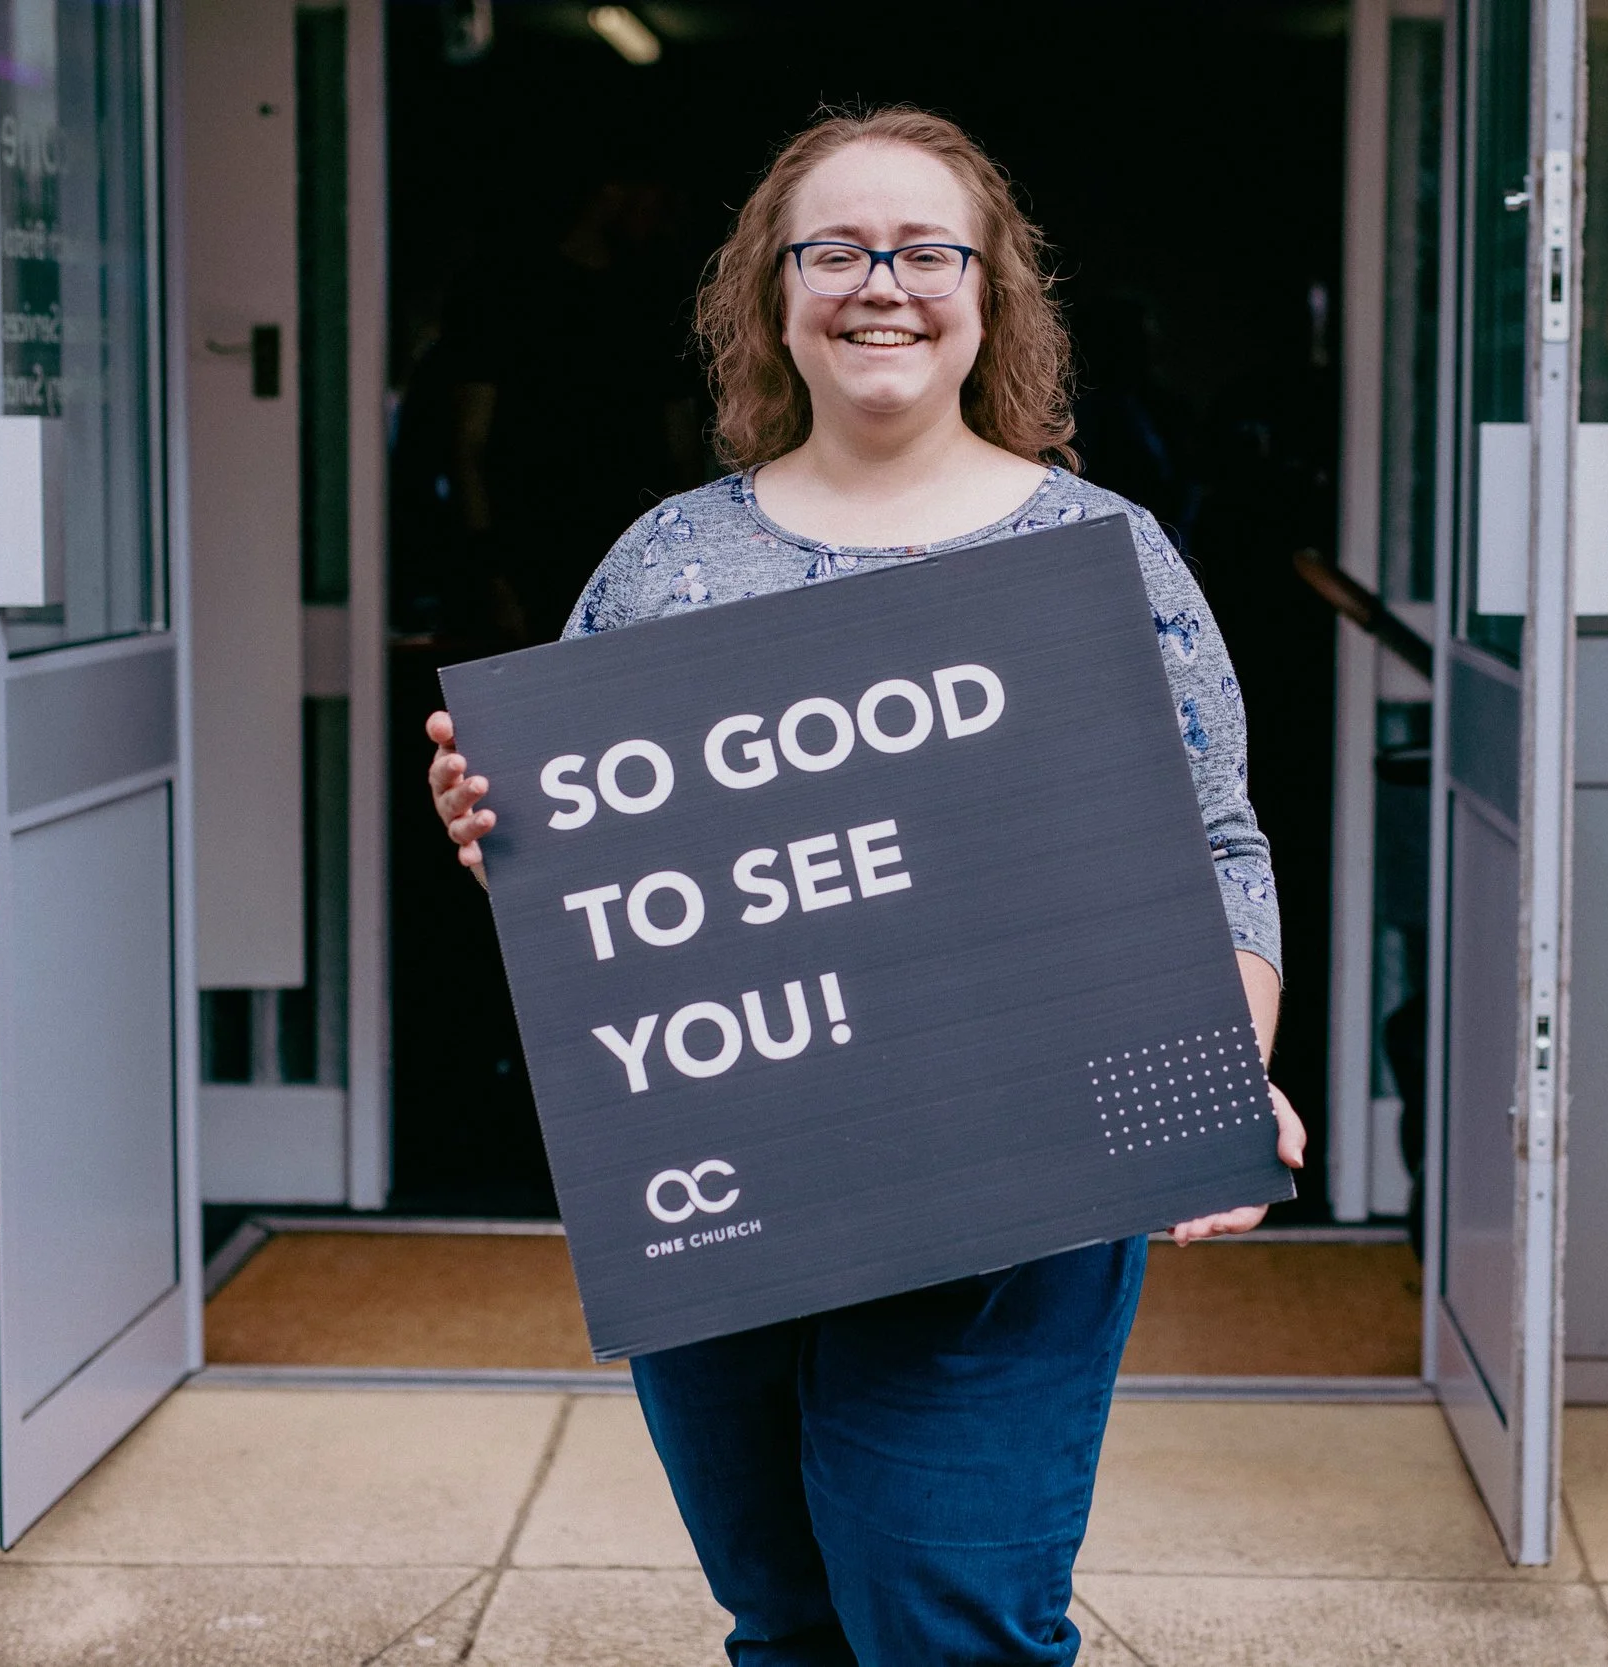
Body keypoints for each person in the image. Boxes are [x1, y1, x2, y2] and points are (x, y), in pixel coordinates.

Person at [422, 106, 1302, 1667]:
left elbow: (1215, 847)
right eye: (834, 249)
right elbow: (595, 895)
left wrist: (1219, 1070)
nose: (880, 283)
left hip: (1011, 1213)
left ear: (990, 293)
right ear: (773, 294)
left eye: (924, 250)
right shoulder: (664, 561)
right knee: (789, 1622)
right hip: (727, 1201)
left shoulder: (1105, 554)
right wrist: (498, 824)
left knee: (950, 1627)